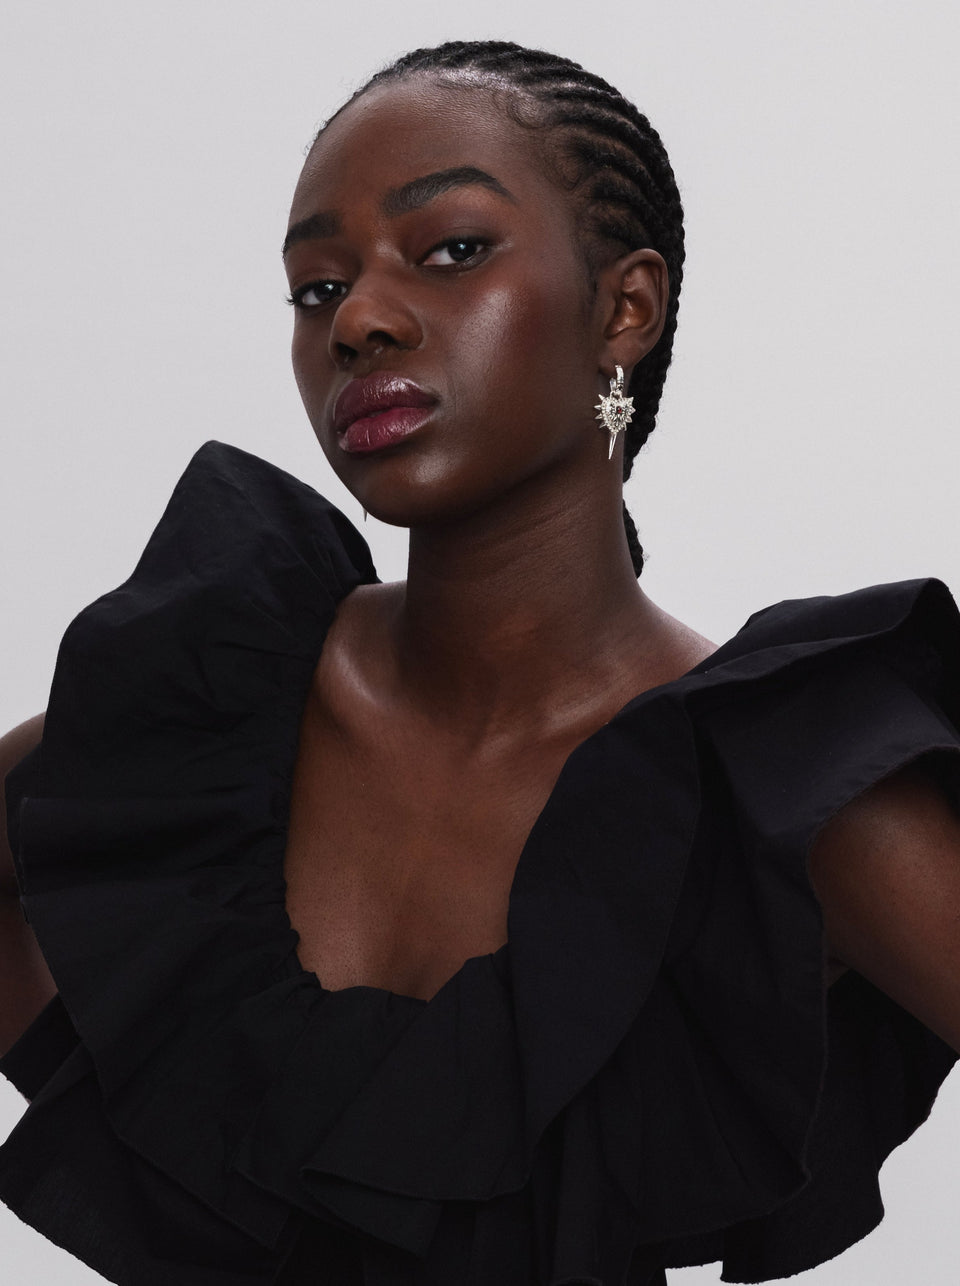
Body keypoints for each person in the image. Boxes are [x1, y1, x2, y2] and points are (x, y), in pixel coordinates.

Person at [1, 38, 959, 1286]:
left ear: (626, 306)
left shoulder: (778, 790)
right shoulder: (188, 719)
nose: (361, 320)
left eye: (450, 249)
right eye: (315, 287)